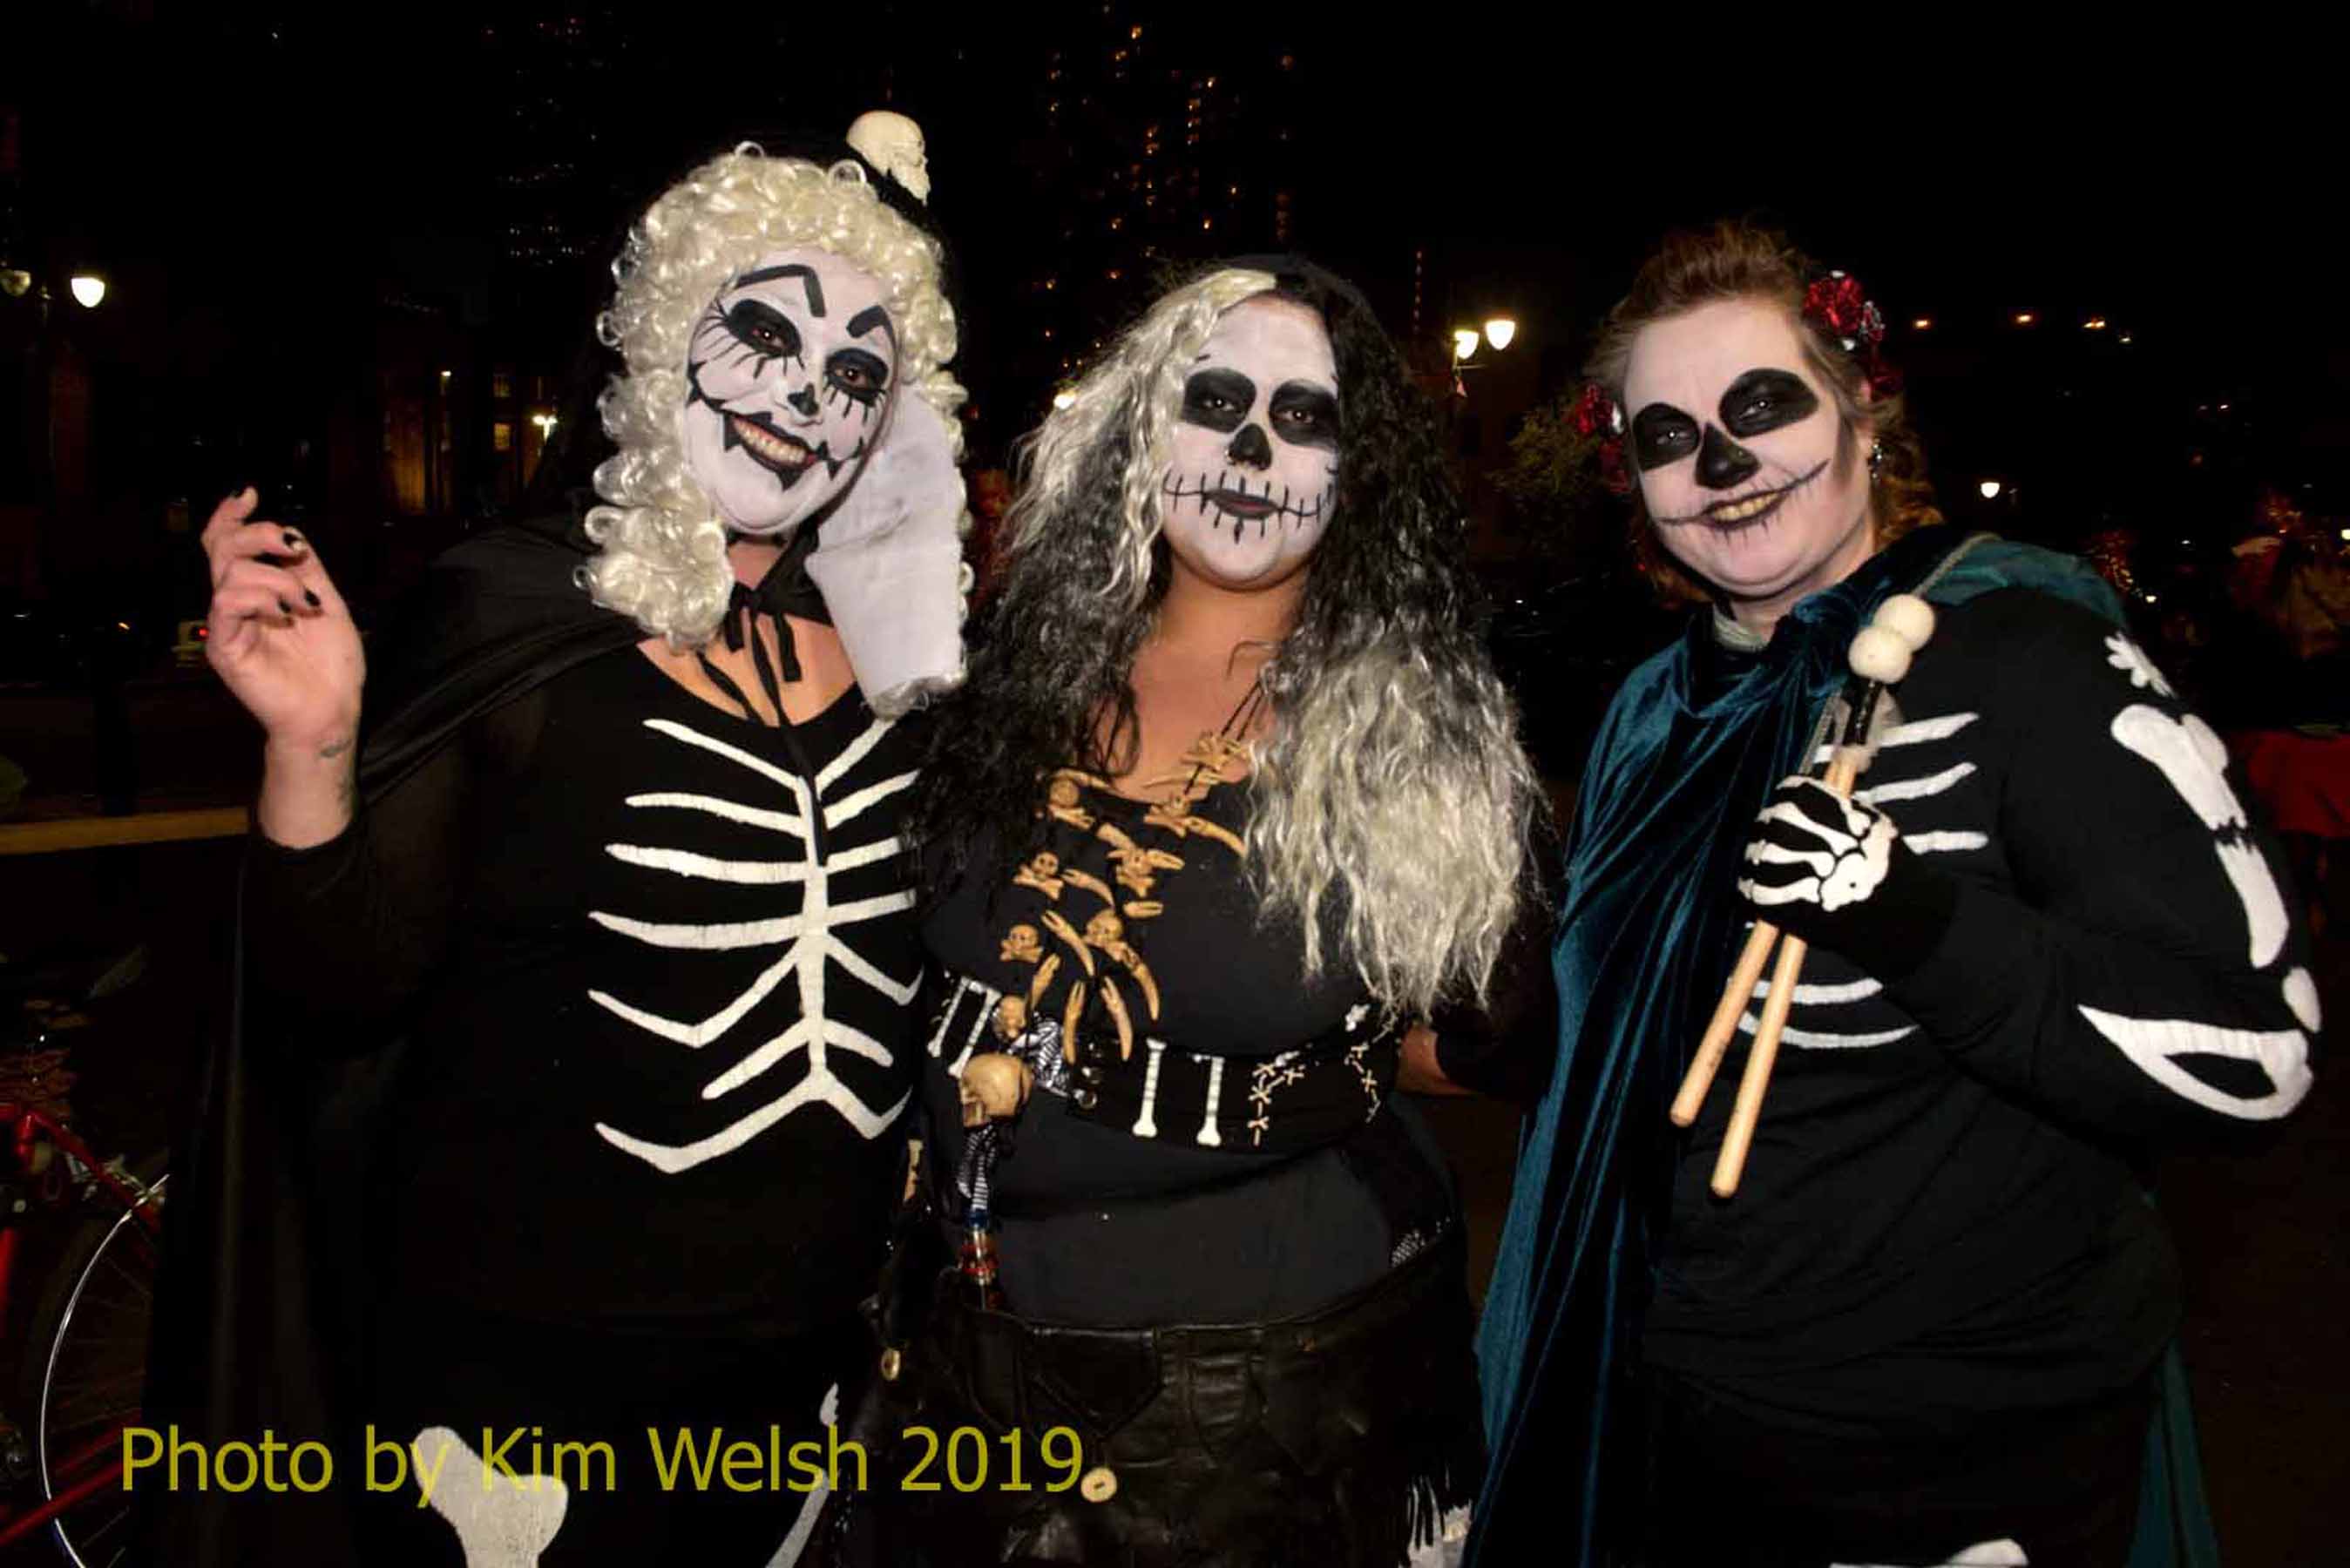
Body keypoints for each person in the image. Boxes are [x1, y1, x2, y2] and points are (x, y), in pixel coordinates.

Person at [153, 123, 970, 1566]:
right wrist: (315, 743)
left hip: (804, 1385)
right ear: (661, 344)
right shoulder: (513, 615)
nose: (807, 396)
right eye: (765, 335)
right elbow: (338, 990)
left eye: (858, 373)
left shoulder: (896, 664)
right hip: (528, 1397)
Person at [1467, 223, 2320, 1567]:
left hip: (1958, 1468)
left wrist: (1905, 911)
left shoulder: (2023, 652)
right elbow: (1601, 1059)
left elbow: (2255, 1049)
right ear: (1632, 483)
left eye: (1761, 405)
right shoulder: (1654, 707)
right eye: (1668, 435)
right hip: (1670, 1426)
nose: (1721, 464)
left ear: (1862, 413)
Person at [829, 258, 1541, 1567]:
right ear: (1139, 430)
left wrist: (1342, 1055)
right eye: (1213, 402)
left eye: (1304, 418)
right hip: (959, 1353)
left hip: (1263, 1405)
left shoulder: (1408, 736)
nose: (1252, 450)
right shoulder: (1015, 669)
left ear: (1358, 470)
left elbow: (1492, 1040)